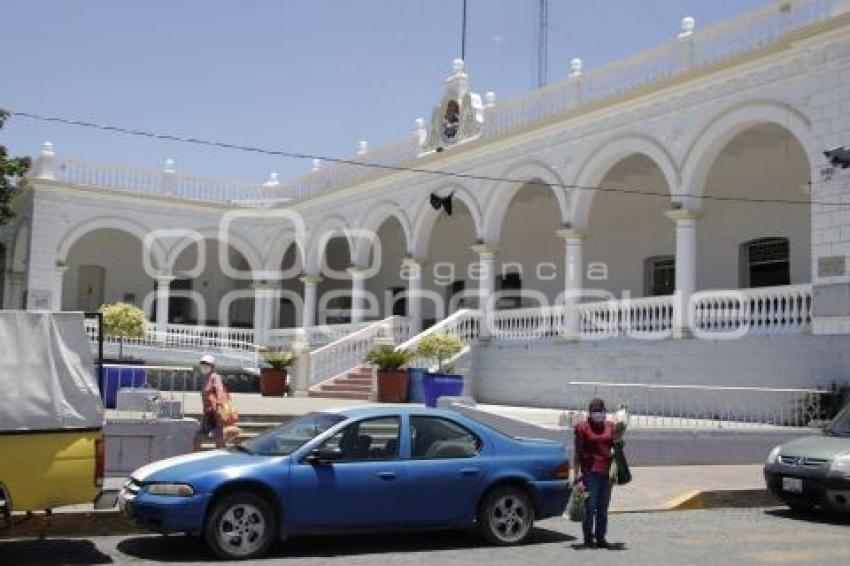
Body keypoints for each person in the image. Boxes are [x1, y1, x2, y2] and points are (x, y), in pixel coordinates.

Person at [574, 398, 616, 549]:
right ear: (590, 413)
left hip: (607, 473)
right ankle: (588, 537)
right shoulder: (582, 428)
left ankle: (601, 537)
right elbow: (577, 453)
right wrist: (576, 475)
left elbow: (615, 446)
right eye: (594, 411)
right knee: (590, 507)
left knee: (603, 507)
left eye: (600, 410)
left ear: (604, 411)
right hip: (591, 472)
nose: (597, 413)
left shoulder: (611, 426)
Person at [193, 355, 237, 451]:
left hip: (216, 413)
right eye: (202, 364)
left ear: (212, 367)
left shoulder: (215, 377)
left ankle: (219, 457)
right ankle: (198, 457)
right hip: (209, 414)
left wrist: (220, 408)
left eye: (207, 364)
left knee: (215, 439)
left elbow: (220, 391)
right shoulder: (206, 379)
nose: (204, 366)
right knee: (198, 438)